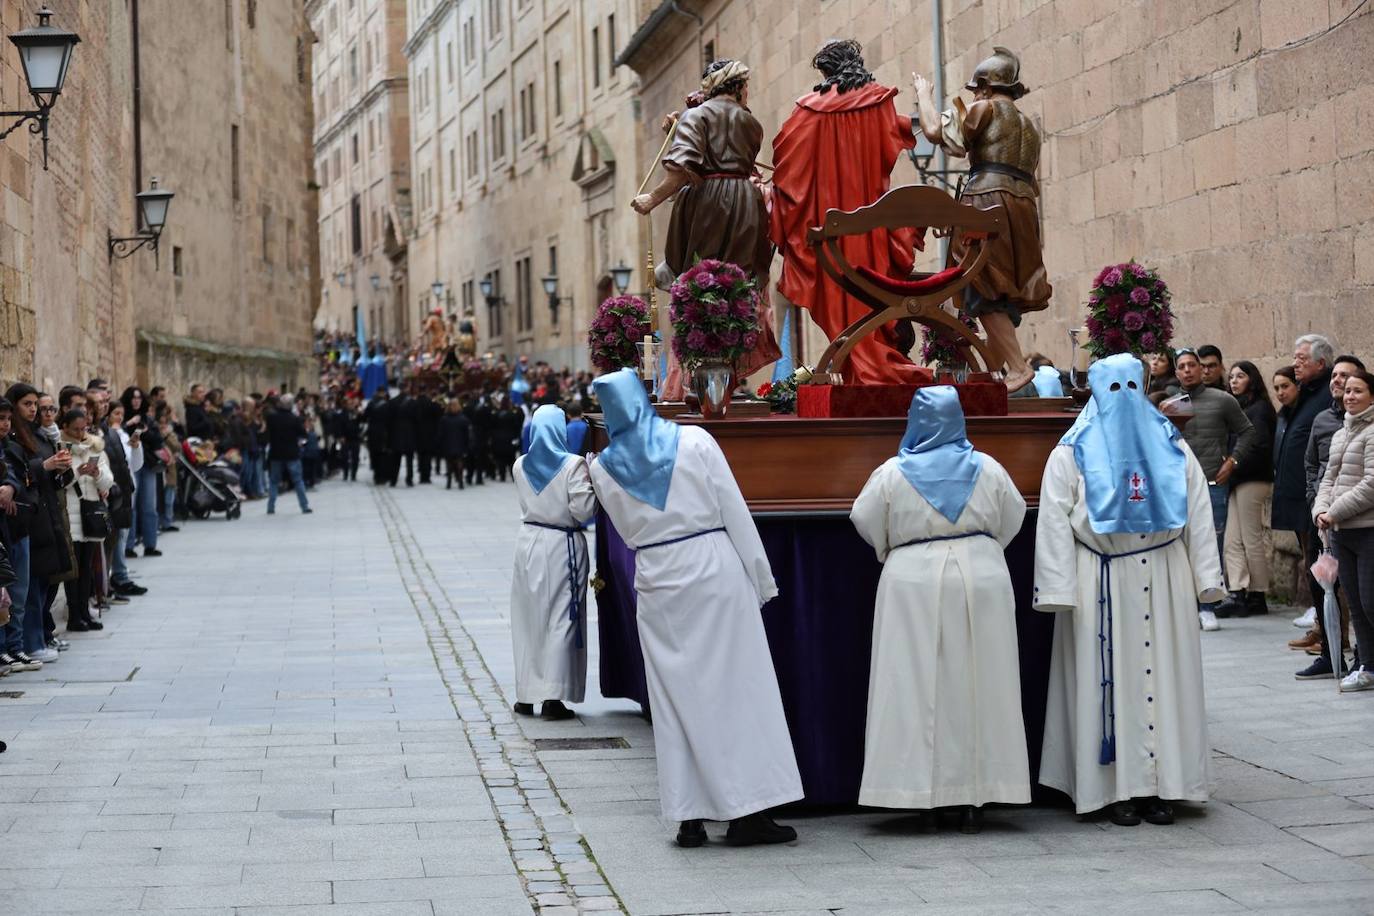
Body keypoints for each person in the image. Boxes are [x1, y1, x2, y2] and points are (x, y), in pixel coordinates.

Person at [588, 369, 802, 848]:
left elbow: (624, 532)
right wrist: (761, 578)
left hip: (658, 577)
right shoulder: (696, 441)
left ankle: (689, 816)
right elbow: (733, 509)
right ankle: (748, 812)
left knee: (673, 698)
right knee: (738, 689)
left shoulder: (601, 469)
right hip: (712, 565)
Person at [1034, 354, 1224, 827]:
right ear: (1096, 393)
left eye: (1130, 388)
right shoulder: (1071, 450)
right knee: (1106, 684)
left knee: (1167, 678)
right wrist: (1057, 587)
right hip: (1100, 577)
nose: (1122, 399)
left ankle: (1164, 785)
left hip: (1164, 574)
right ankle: (1112, 789)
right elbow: (1054, 520)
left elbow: (1198, 512)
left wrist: (1207, 579)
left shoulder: (1172, 445)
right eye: (1111, 389)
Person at [850, 387, 1029, 833]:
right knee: (983, 686)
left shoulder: (893, 473)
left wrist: (895, 547)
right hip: (982, 572)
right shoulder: (988, 468)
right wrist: (981, 548)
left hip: (912, 576)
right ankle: (978, 797)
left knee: (912, 685)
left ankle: (920, 798)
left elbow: (864, 518)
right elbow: (1015, 515)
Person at [769, 38, 927, 385]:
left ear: (827, 71)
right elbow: (894, 138)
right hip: (871, 232)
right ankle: (867, 362)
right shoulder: (879, 103)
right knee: (873, 297)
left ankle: (854, 367)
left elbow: (784, 160)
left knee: (838, 297)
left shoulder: (808, 110)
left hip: (831, 233)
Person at [633, 58, 781, 391]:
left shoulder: (696, 116)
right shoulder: (750, 122)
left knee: (702, 282)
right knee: (738, 285)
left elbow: (682, 166)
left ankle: (702, 379)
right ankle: (729, 375)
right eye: (746, 86)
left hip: (708, 204)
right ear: (738, 87)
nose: (748, 91)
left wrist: (652, 199)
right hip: (746, 203)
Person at [914, 48, 1051, 391]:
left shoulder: (985, 108)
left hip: (987, 201)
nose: (973, 95)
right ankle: (991, 372)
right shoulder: (1030, 126)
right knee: (1002, 289)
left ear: (988, 87)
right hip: (1023, 206)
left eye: (976, 89)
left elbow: (935, 132)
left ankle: (1018, 368)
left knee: (982, 285)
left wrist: (922, 95)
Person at [510, 405, 595, 721]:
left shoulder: (520, 464)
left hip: (529, 541)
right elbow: (584, 510)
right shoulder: (572, 465)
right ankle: (553, 696)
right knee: (561, 618)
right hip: (561, 545)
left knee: (529, 617)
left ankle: (526, 694)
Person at [1172, 348, 1256, 631]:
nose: (1187, 370)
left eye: (1192, 365)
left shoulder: (1222, 400)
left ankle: (1208, 607)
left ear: (1201, 369)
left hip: (1212, 483)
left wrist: (1232, 462)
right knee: (1178, 544)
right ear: (1176, 372)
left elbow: (1248, 432)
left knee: (1211, 545)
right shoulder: (1169, 404)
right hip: (1176, 486)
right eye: (1181, 366)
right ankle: (1185, 606)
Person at [1276, 335, 1338, 676]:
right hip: (1305, 499)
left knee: (1327, 575)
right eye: (1295, 357)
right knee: (1315, 573)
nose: (1295, 363)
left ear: (1320, 364)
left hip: (1319, 501)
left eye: (1302, 359)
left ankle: (1335, 642)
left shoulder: (1325, 398)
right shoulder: (1307, 396)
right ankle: (1326, 637)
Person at [1315, 370, 1374, 692]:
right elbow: (1328, 479)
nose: (1350, 396)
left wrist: (1333, 511)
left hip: (1368, 530)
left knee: (1370, 602)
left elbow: (1371, 484)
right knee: (1353, 601)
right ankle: (1368, 666)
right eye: (1347, 391)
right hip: (1340, 532)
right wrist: (1320, 511)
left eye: (1358, 391)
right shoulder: (1341, 433)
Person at [1217, 360, 1276, 618]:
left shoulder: (1259, 409)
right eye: (1231, 377)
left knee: (1250, 538)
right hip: (1237, 480)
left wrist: (1232, 464)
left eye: (1240, 376)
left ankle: (1257, 594)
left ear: (1252, 379)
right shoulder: (1240, 408)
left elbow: (1259, 446)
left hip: (1252, 479)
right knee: (1232, 540)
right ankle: (1238, 591)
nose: (1234, 381)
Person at [57, 408, 114, 633]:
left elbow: (108, 481)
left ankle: (85, 613)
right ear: (66, 428)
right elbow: (58, 482)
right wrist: (78, 473)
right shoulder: (61, 449)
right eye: (75, 429)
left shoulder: (94, 447)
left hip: (90, 515)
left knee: (88, 567)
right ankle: (75, 615)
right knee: (75, 570)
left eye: (83, 429)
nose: (80, 434)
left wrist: (96, 474)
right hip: (71, 515)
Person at [264, 395, 312, 515]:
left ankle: (271, 506)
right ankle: (304, 506)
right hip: (292, 453)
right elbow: (303, 434)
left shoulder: (271, 418)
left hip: (276, 453)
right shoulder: (294, 419)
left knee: (274, 481)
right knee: (297, 480)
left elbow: (267, 432)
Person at [437, 399, 471, 490]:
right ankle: (460, 481)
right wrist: (467, 445)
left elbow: (440, 434)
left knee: (449, 463)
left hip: (448, 444)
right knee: (459, 462)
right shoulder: (463, 419)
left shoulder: (444, 419)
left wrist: (440, 444)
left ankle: (449, 482)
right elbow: (467, 434)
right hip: (460, 444)